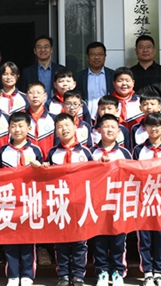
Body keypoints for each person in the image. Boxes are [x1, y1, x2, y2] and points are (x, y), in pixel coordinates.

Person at [47, 113, 94, 286]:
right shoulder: (52, 153)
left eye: (67, 125)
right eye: (59, 127)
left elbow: (94, 176)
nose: (64, 129)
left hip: (80, 203)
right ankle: (63, 275)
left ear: (75, 127)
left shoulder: (85, 152)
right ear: (56, 132)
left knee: (80, 242)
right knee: (61, 241)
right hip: (59, 203)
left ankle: (78, 275)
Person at [0, 112, 44, 286]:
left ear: (29, 128)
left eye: (21, 126)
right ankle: (12, 275)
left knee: (27, 238)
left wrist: (40, 167)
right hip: (9, 199)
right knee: (10, 238)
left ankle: (27, 275)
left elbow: (44, 174)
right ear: (8, 129)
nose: (17, 130)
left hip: (29, 200)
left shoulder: (35, 150)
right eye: (13, 126)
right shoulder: (3, 150)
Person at [132, 112, 161, 286]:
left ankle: (159, 271)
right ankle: (147, 272)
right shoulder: (138, 150)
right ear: (145, 128)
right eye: (150, 125)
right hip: (143, 200)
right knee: (145, 238)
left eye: (158, 125)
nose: (154, 129)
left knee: (160, 238)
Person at [90, 114, 132, 286]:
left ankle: (117, 272)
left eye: (113, 127)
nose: (109, 130)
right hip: (97, 203)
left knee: (118, 239)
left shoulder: (125, 153)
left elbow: (132, 177)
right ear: (99, 130)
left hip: (118, 203)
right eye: (105, 126)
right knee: (99, 239)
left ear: (119, 131)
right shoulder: (91, 152)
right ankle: (101, 271)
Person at [74, 42, 115, 119]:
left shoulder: (113, 76)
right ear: (87, 57)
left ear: (105, 56)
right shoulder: (78, 77)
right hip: (86, 119)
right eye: (93, 54)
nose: (96, 57)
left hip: (108, 119)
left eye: (100, 54)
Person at [25, 81, 56, 157]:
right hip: (27, 161)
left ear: (45, 96)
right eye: (31, 93)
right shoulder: (21, 119)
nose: (35, 96)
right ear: (26, 96)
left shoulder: (54, 119)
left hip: (48, 162)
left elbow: (58, 143)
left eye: (38, 93)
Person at [111, 67, 143, 131]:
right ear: (114, 83)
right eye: (120, 81)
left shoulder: (141, 101)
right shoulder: (106, 103)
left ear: (133, 83)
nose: (124, 84)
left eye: (127, 81)